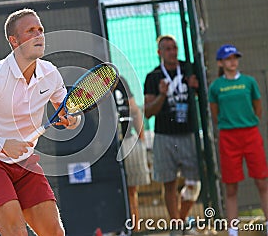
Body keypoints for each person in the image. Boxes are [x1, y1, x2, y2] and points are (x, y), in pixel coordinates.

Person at [0, 8, 79, 236]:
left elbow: (68, 113)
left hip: (25, 162)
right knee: (17, 233)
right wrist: (0, 144)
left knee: (55, 233)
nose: (39, 35)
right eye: (31, 31)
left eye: (41, 30)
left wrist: (71, 120)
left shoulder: (51, 74)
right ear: (14, 40)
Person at [208, 44, 268, 236]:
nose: (232, 62)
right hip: (228, 137)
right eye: (228, 58)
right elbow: (215, 113)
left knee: (262, 181)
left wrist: (248, 122)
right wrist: (230, 124)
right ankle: (233, 231)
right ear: (220, 62)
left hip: (250, 134)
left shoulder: (249, 82)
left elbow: (257, 107)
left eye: (235, 58)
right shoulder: (216, 86)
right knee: (231, 186)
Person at [143, 35, 201, 231]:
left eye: (174, 47)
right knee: (169, 183)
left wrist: (196, 87)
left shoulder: (189, 69)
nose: (172, 52)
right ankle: (177, 226)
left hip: (188, 133)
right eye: (167, 49)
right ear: (159, 53)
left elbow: (205, 98)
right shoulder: (153, 76)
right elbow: (148, 112)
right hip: (165, 135)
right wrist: (162, 95)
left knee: (194, 181)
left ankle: (181, 221)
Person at [114, 76, 151, 231]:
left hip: (127, 140)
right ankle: (118, 228)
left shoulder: (121, 80)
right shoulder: (92, 86)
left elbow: (134, 110)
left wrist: (141, 138)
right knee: (114, 188)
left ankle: (134, 228)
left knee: (131, 190)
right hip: (108, 146)